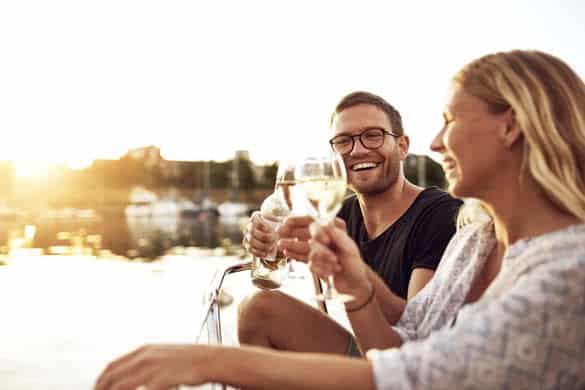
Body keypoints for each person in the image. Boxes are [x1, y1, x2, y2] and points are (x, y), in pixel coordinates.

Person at [95, 50, 585, 390]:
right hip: (389, 364)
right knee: (257, 309)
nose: (437, 143)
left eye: (450, 120)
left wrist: (210, 360)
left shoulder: (567, 274)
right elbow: (408, 337)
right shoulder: (475, 239)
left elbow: (417, 375)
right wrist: (351, 279)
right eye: (343, 141)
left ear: (512, 125)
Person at [238, 91, 462, 356]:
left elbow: (419, 328)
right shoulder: (339, 213)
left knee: (260, 310)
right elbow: (316, 299)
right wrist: (269, 246)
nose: (357, 150)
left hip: (405, 364)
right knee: (255, 309)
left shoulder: (441, 214)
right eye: (343, 141)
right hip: (362, 353)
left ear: (402, 146)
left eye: (373, 135)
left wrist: (353, 272)